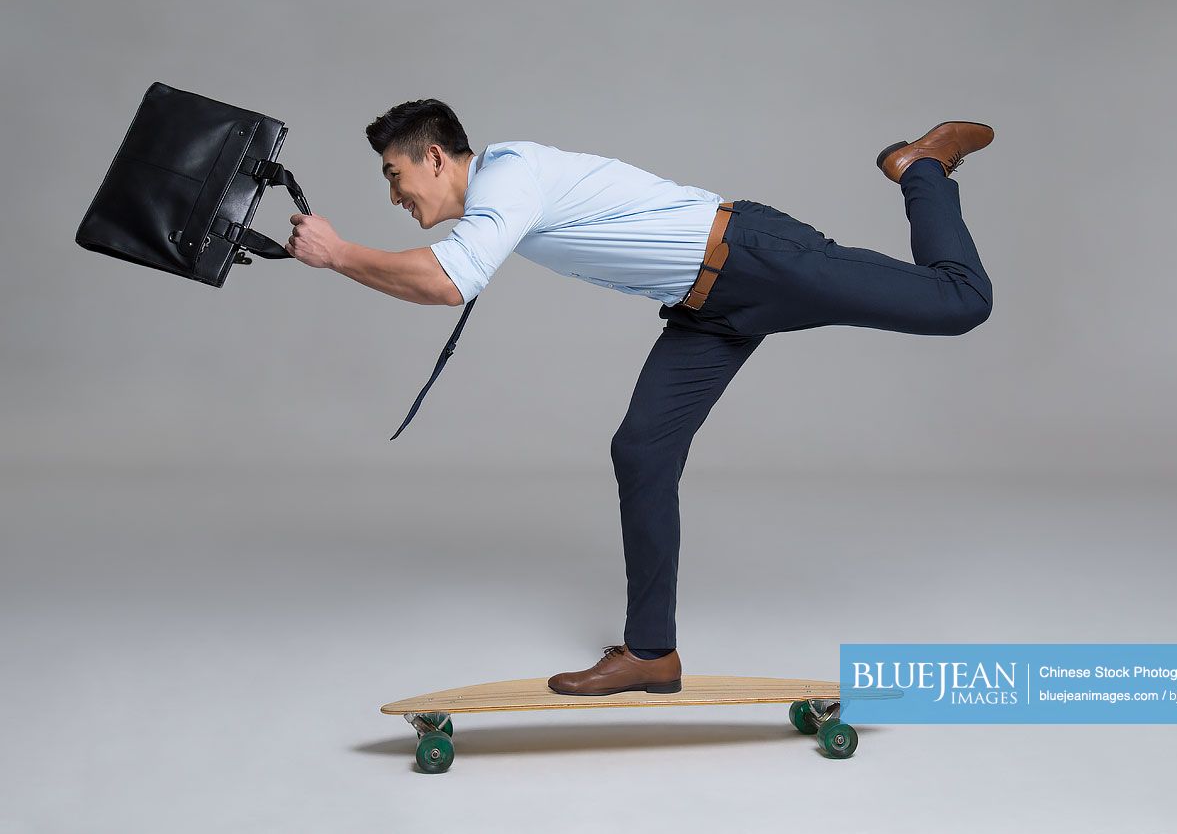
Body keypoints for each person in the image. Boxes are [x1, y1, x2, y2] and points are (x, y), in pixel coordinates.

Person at [284, 100, 995, 697]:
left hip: (755, 258)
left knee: (961, 301)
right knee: (641, 451)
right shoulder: (504, 196)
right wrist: (338, 258)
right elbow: (448, 273)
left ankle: (921, 167)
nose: (394, 196)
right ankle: (651, 651)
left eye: (394, 174)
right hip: (706, 305)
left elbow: (448, 282)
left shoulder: (510, 173)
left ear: (434, 156)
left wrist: (339, 254)